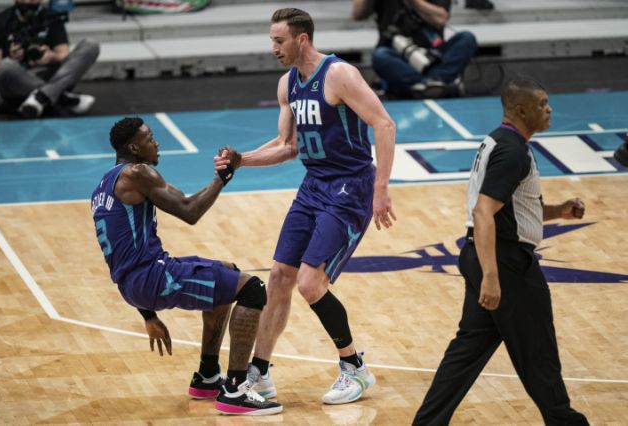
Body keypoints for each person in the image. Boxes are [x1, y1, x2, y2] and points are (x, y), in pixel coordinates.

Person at [214, 7, 396, 405]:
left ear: (302, 39)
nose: (273, 48)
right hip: (314, 186)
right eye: (271, 41)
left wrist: (381, 189)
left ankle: (355, 368)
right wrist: (241, 159)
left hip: (350, 188)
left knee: (311, 284)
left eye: (279, 41)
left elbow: (384, 124)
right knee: (279, 276)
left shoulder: (339, 75)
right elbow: (288, 146)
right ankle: (259, 375)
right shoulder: (288, 85)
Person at [412, 78, 589, 425]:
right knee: (539, 354)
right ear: (521, 110)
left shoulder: (501, 142)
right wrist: (492, 277)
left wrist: (559, 211)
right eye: (542, 103)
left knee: (465, 353)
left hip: (485, 255)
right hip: (505, 264)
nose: (549, 109)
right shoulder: (512, 152)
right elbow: (483, 212)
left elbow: (512, 210)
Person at [91, 117, 283, 416]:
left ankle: (208, 375)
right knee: (253, 290)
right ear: (133, 147)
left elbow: (183, 200)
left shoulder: (106, 183)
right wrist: (225, 176)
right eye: (149, 138)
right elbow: (190, 213)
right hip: (153, 276)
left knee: (228, 273)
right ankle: (235, 390)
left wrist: (147, 313)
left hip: (135, 282)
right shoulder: (139, 172)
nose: (156, 143)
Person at [0, 0, 99, 118]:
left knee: (90, 45)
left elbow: (63, 54)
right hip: (16, 81)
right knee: (5, 66)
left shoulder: (52, 18)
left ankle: (42, 97)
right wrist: (13, 58)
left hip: (48, 74)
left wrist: (52, 56)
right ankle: (59, 97)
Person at [352, 0, 477, 99]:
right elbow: (357, 14)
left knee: (467, 39)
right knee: (380, 56)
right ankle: (437, 87)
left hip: (434, 55)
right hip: (398, 57)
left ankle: (427, 84)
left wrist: (415, 2)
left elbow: (441, 19)